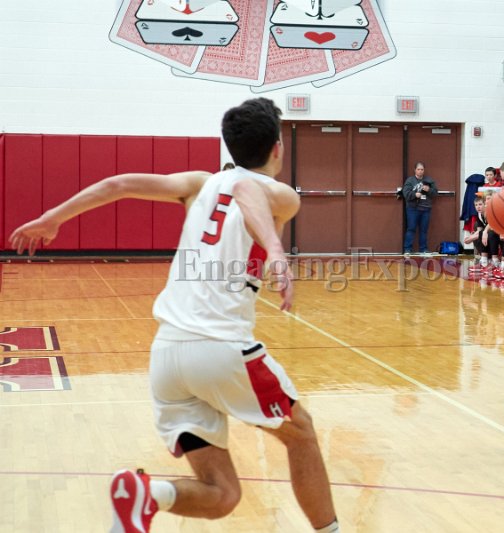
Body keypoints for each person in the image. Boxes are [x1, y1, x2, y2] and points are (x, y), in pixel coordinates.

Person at [9, 98, 340, 533]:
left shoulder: (198, 183)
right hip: (220, 348)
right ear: (278, 148)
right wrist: (275, 250)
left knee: (222, 494)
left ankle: (148, 495)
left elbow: (120, 183)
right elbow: (246, 190)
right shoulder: (280, 195)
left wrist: (52, 218)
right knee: (302, 432)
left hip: (168, 357)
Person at [403, 161, 438, 256]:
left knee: (424, 230)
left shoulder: (429, 180)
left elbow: (435, 193)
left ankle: (424, 249)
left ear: (424, 170)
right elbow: (405, 193)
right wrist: (415, 195)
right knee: (411, 228)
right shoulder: (410, 181)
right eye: (418, 169)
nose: (420, 171)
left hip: (426, 209)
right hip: (412, 209)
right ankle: (407, 249)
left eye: (422, 169)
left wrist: (429, 190)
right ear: (415, 170)